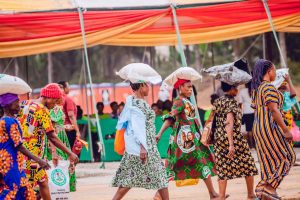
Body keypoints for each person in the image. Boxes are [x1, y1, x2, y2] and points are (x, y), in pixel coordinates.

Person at [156, 79, 220, 200]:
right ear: (180, 87)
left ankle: (213, 193)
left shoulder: (186, 100)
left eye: (191, 87)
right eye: (188, 87)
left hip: (193, 139)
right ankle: (159, 194)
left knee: (201, 163)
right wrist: (159, 133)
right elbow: (170, 118)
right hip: (184, 142)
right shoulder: (179, 101)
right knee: (172, 166)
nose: (190, 89)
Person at [18, 83, 79, 200]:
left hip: (24, 153)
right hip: (33, 156)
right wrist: (70, 153)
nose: (55, 105)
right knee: (29, 189)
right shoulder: (42, 110)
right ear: (48, 97)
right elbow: (52, 136)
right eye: (55, 102)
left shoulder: (25, 104)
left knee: (43, 182)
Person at [112, 82, 169, 200]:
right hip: (144, 147)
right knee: (160, 176)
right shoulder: (138, 104)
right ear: (141, 86)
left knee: (133, 179)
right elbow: (137, 127)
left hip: (144, 146)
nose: (148, 88)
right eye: (146, 85)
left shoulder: (134, 102)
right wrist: (143, 147)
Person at [251, 59, 296, 199]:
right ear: (269, 71)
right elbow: (274, 110)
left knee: (268, 162)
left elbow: (256, 110)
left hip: (258, 128)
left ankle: (265, 194)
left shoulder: (257, 89)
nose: (275, 73)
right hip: (270, 127)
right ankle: (266, 189)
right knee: (288, 156)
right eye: (274, 70)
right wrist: (286, 130)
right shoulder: (268, 88)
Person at [211, 82, 258, 200]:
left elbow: (212, 120)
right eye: (235, 88)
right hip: (234, 138)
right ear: (231, 89)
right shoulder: (231, 102)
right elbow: (229, 123)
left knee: (222, 167)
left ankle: (221, 196)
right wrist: (231, 144)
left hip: (219, 139)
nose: (237, 90)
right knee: (248, 164)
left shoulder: (218, 101)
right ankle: (251, 195)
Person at [0, 93, 50, 200]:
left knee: (21, 191)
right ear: (8, 105)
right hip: (11, 164)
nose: (19, 104)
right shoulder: (9, 122)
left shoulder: (4, 120)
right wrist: (39, 160)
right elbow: (19, 146)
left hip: (10, 163)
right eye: (16, 102)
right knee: (16, 192)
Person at [44, 103, 77, 192]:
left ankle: (58, 190)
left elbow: (57, 125)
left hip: (61, 138)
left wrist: (64, 127)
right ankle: (57, 190)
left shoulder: (57, 107)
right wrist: (54, 151)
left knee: (63, 164)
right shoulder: (51, 108)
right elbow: (51, 129)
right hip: (56, 140)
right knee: (58, 164)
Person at [58, 81, 80, 149]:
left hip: (59, 129)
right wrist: (77, 131)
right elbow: (71, 116)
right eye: (68, 86)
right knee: (70, 151)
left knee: (62, 151)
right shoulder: (68, 99)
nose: (69, 88)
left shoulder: (56, 100)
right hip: (69, 130)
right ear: (64, 88)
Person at [238, 82, 255, 148]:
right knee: (255, 129)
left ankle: (251, 145)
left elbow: (240, 103)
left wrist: (240, 112)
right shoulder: (254, 90)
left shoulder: (242, 91)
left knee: (249, 130)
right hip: (254, 112)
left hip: (246, 113)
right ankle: (256, 144)